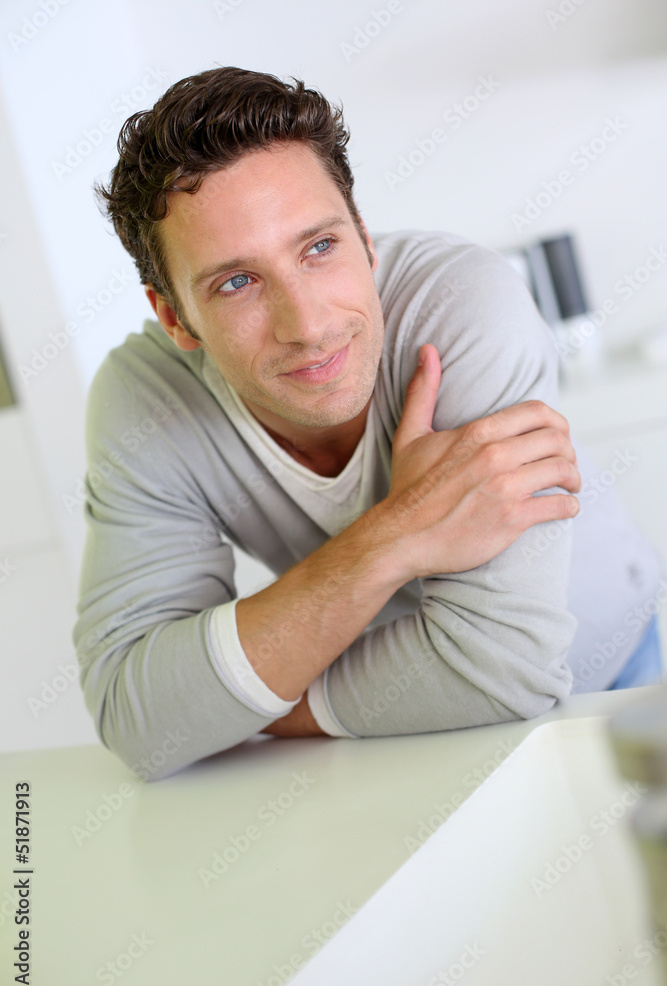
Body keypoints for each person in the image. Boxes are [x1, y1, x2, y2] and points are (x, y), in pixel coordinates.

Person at [73, 66, 664, 781]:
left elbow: (503, 673)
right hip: (400, 736)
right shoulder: (144, 402)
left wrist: (239, 703)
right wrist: (395, 533)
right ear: (175, 317)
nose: (310, 325)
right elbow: (139, 723)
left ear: (364, 237)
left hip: (618, 684)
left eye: (319, 248)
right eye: (236, 282)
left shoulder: (461, 304)